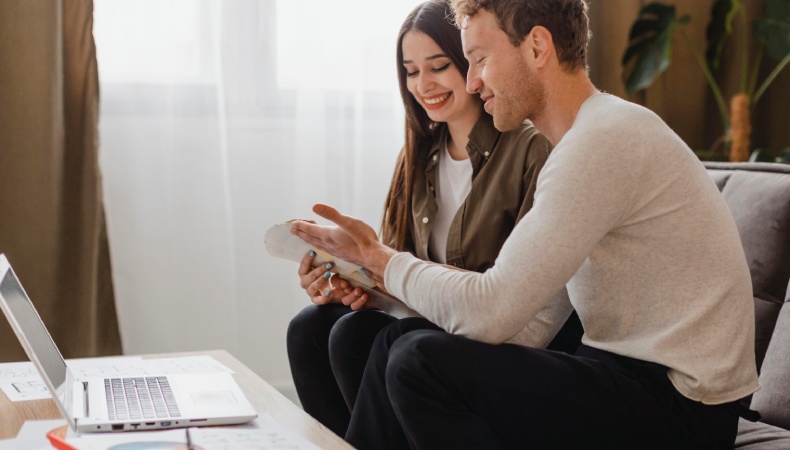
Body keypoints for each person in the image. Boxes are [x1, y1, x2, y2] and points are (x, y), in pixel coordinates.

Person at [291, 0, 761, 449]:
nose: (473, 82)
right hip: (624, 375)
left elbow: (494, 309)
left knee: (418, 363)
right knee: (402, 344)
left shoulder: (603, 142)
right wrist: (378, 284)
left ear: (537, 47)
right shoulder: (582, 143)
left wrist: (382, 259)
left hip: (683, 407)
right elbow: (532, 324)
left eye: (478, 59)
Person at [285, 0, 581, 439]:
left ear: (473, 62)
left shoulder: (531, 149)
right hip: (431, 318)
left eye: (439, 66)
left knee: (355, 337)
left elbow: (518, 298)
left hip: (491, 329)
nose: (423, 84)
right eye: (410, 71)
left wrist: (390, 277)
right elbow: (398, 274)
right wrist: (354, 284)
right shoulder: (418, 156)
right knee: (311, 327)